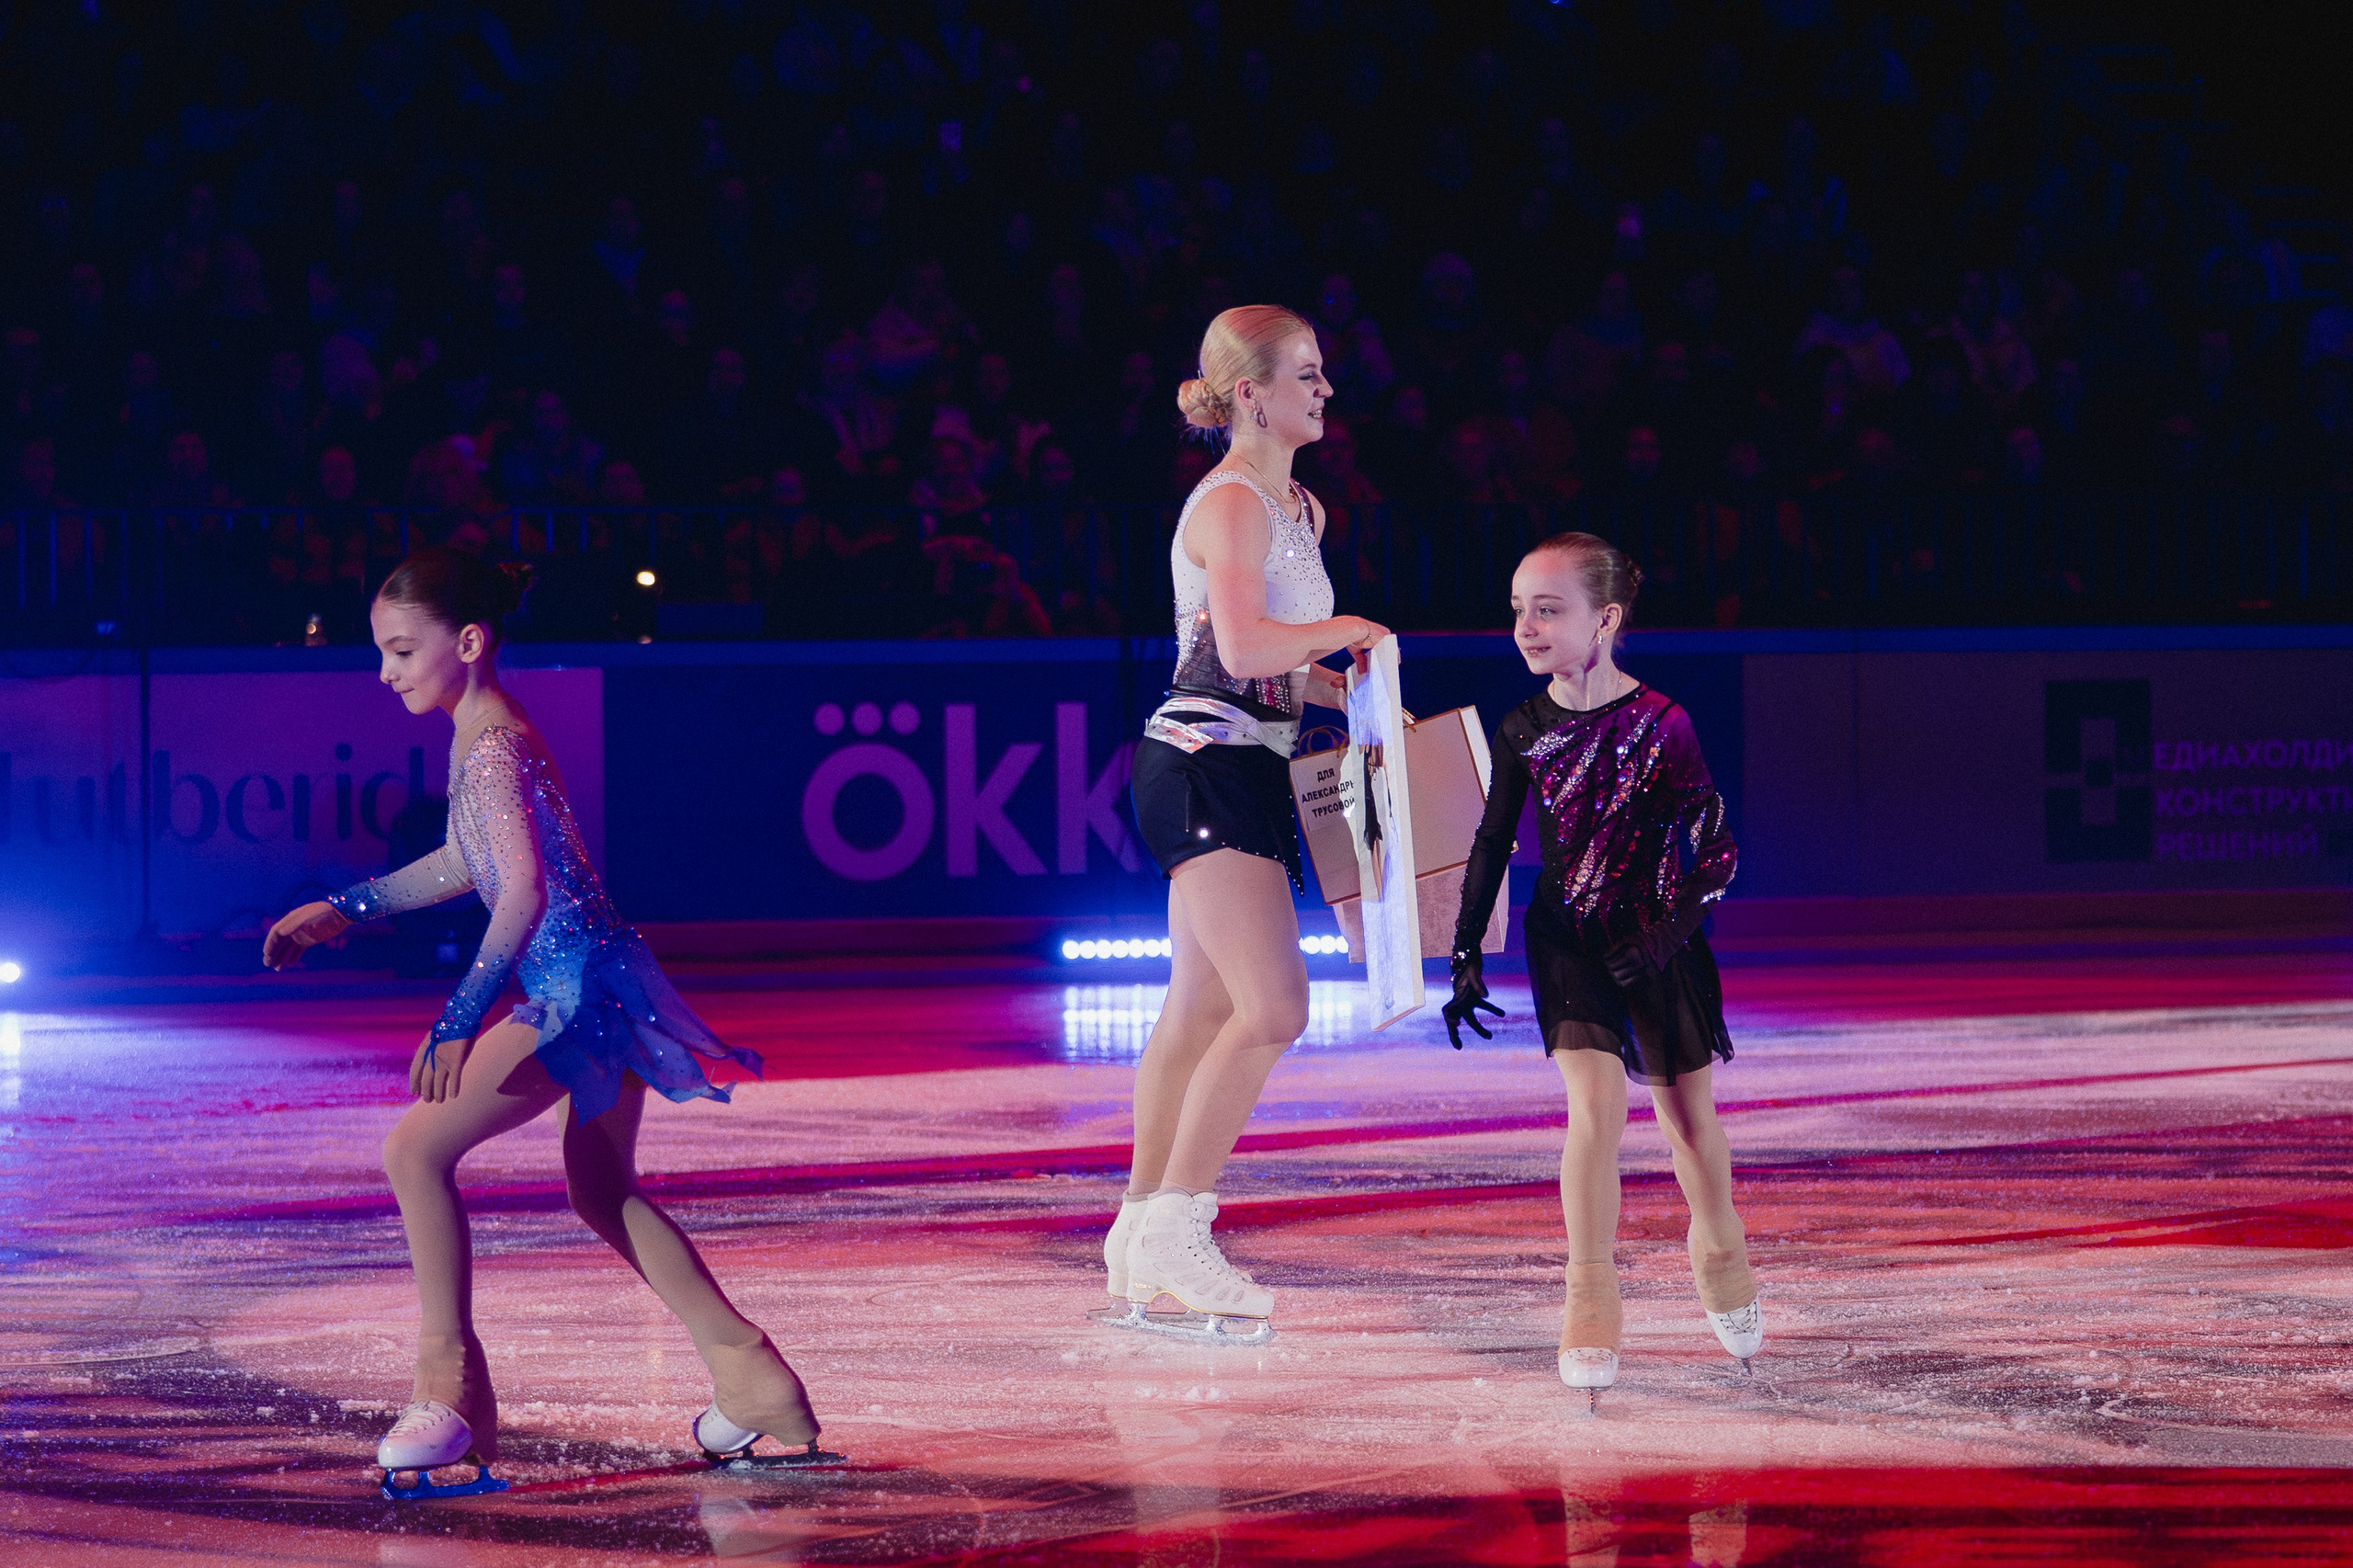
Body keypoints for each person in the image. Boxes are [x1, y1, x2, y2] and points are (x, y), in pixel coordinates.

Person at [262, 548, 829, 1495]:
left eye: (402, 650)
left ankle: (448, 1394)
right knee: (603, 1188)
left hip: (571, 993)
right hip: (607, 977)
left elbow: (517, 887)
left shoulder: (488, 742)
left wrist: (459, 1013)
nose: (386, 671)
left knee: (414, 1152)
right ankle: (751, 1373)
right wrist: (345, 907)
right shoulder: (487, 729)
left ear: (469, 640)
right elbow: (465, 859)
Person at [1104, 304, 1389, 1343]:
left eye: (1322, 374)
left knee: (1196, 1007)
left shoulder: (1299, 509)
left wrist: (1356, 700)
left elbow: (1278, 666)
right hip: (1201, 764)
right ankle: (1182, 1218)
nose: (1323, 391)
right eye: (1304, 375)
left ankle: (1139, 1225)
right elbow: (1236, 640)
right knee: (1274, 1004)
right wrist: (1348, 632)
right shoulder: (1227, 503)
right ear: (1249, 395)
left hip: (1248, 767)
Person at [1441, 531, 1761, 1410]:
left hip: (1659, 935)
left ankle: (1722, 1247)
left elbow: (1717, 855)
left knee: (1690, 1124)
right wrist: (1467, 951)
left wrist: (1660, 940)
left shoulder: (1664, 726)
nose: (1526, 627)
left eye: (1548, 610)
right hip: (1570, 939)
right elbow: (1493, 841)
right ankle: (1589, 1295)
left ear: (1606, 620)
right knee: (1597, 1106)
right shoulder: (1523, 728)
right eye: (1517, 609)